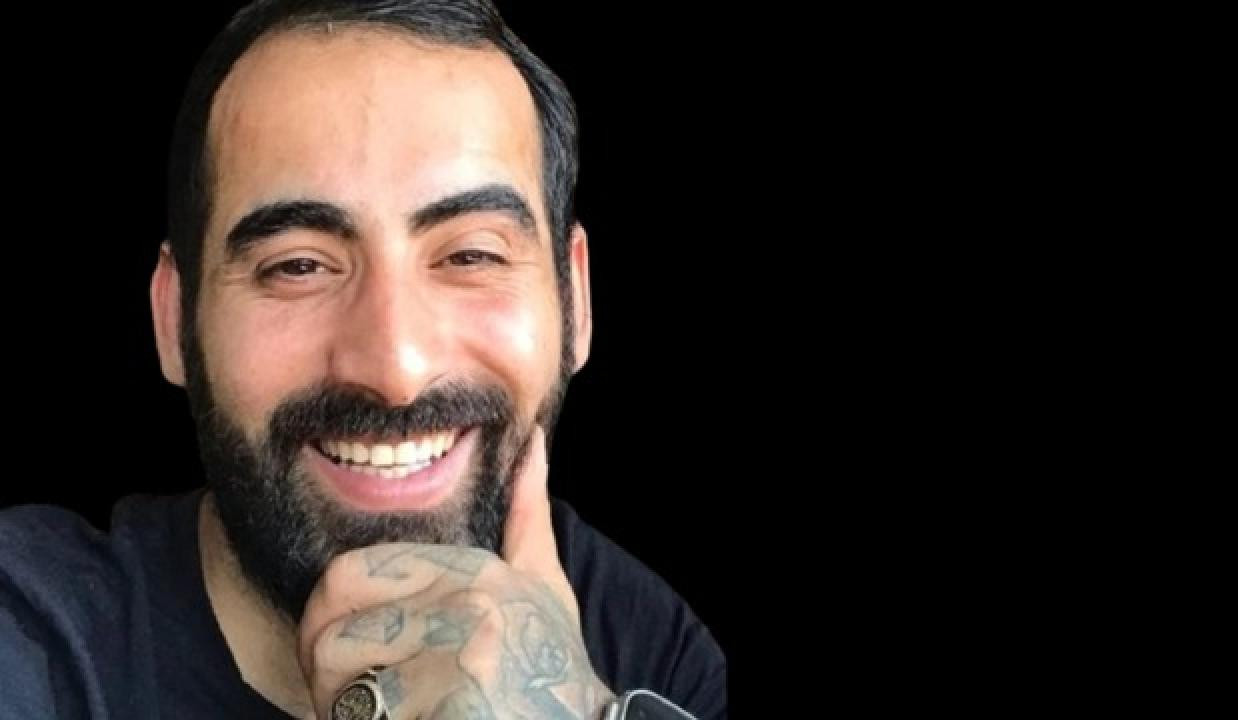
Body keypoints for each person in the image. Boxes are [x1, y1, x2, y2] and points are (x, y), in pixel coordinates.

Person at [0, 1, 726, 718]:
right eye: (297, 266)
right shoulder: (26, 631)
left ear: (576, 301)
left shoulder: (655, 655)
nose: (395, 370)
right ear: (173, 319)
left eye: (471, 255)